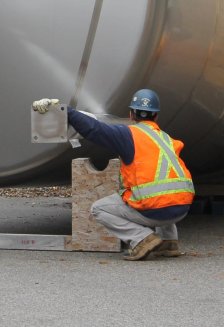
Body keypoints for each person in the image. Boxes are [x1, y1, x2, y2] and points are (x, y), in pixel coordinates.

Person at [32, 89, 194, 261]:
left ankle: (142, 238)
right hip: (182, 209)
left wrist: (67, 112)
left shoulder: (128, 135)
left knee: (99, 209)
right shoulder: (166, 138)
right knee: (162, 191)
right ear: (156, 117)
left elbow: (95, 129)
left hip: (155, 211)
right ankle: (169, 242)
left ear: (131, 115)